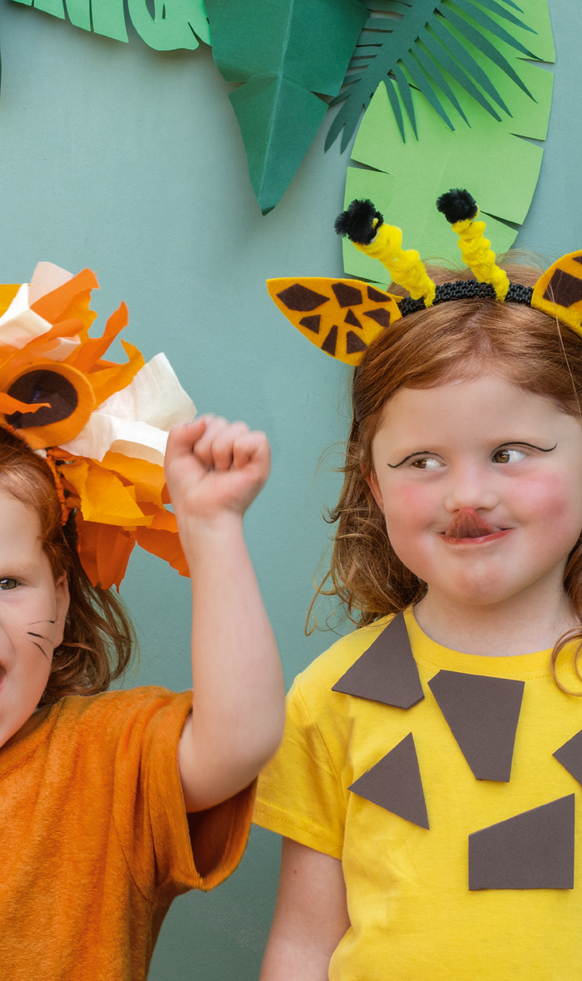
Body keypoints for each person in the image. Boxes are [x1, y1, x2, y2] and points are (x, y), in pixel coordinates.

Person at [0, 232, 284, 980]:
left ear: (61, 597)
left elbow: (241, 738)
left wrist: (211, 530)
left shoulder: (109, 759)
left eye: (6, 583)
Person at [255, 190, 582, 980]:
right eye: (422, 461)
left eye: (510, 452)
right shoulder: (331, 695)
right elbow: (303, 941)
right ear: (373, 484)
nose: (466, 493)